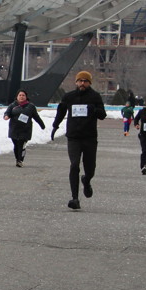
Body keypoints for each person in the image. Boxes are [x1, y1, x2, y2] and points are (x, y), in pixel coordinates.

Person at [51, 70, 107, 210]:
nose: (82, 83)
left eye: (85, 81)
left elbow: (102, 115)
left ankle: (86, 180)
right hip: (73, 137)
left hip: (89, 138)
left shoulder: (95, 96)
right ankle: (74, 198)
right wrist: (55, 126)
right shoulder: (69, 96)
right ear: (76, 82)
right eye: (80, 81)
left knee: (90, 169)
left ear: (89, 83)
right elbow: (61, 111)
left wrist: (94, 109)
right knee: (74, 165)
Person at [3, 90, 45, 166]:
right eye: (20, 95)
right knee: (16, 145)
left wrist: (42, 125)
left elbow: (36, 117)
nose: (21, 97)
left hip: (25, 129)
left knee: (21, 145)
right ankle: (17, 159)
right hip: (14, 129)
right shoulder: (12, 105)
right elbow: (7, 113)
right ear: (17, 96)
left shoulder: (30, 106)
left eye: (23, 95)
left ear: (26, 97)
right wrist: (6, 116)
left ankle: (20, 160)